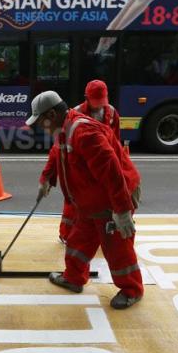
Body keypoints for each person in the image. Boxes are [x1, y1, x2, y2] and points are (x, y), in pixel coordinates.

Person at [29, 91, 144, 309]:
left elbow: (112, 173)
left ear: (51, 115)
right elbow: (57, 154)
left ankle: (132, 290)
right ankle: (73, 278)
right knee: (78, 240)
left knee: (116, 247)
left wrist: (122, 210)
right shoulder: (65, 129)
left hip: (115, 197)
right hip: (90, 200)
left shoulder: (85, 133)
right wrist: (46, 179)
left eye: (40, 122)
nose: (40, 128)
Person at [41, 80, 122, 244]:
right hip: (78, 168)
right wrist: (47, 177)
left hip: (99, 166)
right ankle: (66, 234)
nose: (99, 107)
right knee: (73, 202)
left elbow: (116, 143)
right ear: (87, 98)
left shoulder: (112, 113)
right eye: (95, 102)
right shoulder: (73, 116)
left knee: (99, 205)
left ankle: (95, 237)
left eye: (102, 102)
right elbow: (58, 149)